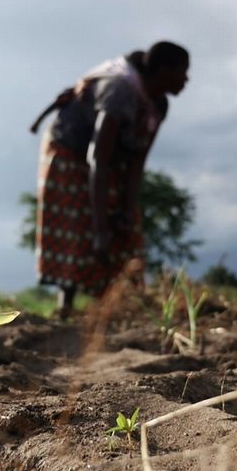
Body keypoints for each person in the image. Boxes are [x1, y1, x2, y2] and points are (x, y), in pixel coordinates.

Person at [31, 41, 190, 318]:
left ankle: (121, 307)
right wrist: (100, 228)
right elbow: (98, 159)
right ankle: (64, 307)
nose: (186, 79)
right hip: (71, 148)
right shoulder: (119, 91)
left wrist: (127, 210)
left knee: (127, 227)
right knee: (78, 223)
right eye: (182, 72)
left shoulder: (159, 105)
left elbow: (137, 163)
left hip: (112, 159)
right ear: (163, 70)